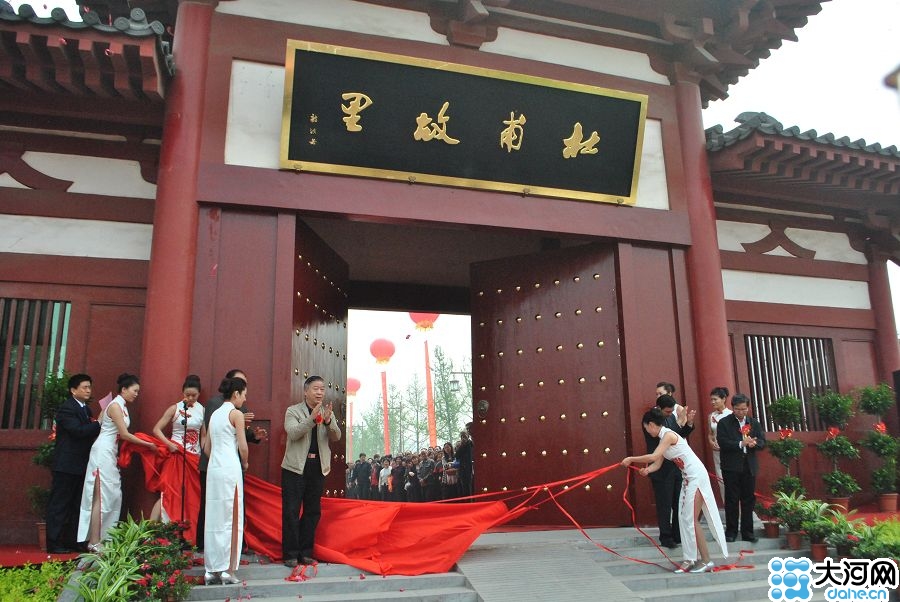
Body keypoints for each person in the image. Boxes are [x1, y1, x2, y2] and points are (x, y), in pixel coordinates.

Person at [622, 408, 729, 573]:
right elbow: (657, 463)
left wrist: (631, 459)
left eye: (646, 428)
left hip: (695, 476)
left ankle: (705, 560)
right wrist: (647, 470)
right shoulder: (663, 438)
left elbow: (652, 457)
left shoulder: (668, 435)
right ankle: (690, 558)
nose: (647, 431)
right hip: (688, 477)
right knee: (685, 519)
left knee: (690, 519)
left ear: (651, 424)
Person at [77, 373, 157, 550]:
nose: (136, 394)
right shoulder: (114, 406)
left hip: (110, 451)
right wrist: (148, 444)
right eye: (134, 390)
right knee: (101, 496)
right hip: (103, 452)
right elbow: (125, 434)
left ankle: (103, 538)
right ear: (124, 389)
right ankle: (94, 541)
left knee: (111, 495)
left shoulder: (121, 406)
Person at [196, 369, 267, 549]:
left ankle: (224, 547)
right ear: (235, 390)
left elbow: (231, 436)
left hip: (220, 464)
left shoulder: (232, 410)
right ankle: (216, 546)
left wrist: (254, 435)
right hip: (223, 464)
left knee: (224, 506)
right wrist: (244, 462)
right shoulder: (218, 405)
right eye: (242, 388)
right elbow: (236, 442)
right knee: (222, 506)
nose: (245, 396)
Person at [281, 375, 341, 567]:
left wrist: (328, 421)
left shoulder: (326, 412)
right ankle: (290, 554)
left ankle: (306, 552)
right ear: (306, 391)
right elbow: (293, 433)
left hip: (317, 467)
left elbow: (336, 436)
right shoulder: (293, 411)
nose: (320, 392)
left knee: (312, 511)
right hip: (295, 468)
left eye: (322, 389)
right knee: (291, 511)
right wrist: (312, 419)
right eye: (316, 389)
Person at [45, 373, 101, 553]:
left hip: (81, 464)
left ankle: (72, 541)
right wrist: (99, 423)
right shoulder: (67, 409)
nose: (88, 390)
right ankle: (53, 542)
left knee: (77, 504)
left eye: (89, 387)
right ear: (73, 390)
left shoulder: (86, 410)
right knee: (60, 504)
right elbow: (78, 431)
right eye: (84, 387)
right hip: (66, 464)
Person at [202, 377, 249, 585]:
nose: (244, 399)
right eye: (244, 395)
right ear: (236, 394)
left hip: (214, 468)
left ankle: (211, 570)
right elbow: (243, 447)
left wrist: (216, 459)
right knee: (232, 517)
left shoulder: (214, 414)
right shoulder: (236, 414)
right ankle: (227, 570)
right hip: (230, 469)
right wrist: (245, 463)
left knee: (214, 518)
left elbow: (207, 448)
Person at [149, 375, 205, 531]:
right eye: (187, 395)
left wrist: (204, 454)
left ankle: (182, 528)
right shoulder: (175, 408)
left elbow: (204, 436)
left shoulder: (202, 410)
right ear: (182, 393)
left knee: (190, 494)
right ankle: (148, 530)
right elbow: (156, 429)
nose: (190, 398)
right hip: (176, 455)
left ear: (199, 394)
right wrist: (169, 444)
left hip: (194, 457)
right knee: (168, 491)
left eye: (194, 395)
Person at [644, 394, 695, 549]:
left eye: (671, 411)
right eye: (667, 411)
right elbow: (665, 437)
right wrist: (680, 421)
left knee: (678, 502)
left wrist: (688, 423)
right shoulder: (650, 419)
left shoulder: (672, 417)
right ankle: (665, 536)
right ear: (659, 408)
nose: (670, 413)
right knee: (664, 504)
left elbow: (678, 436)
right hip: (660, 467)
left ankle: (678, 534)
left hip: (675, 466)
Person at [717, 393, 766, 543]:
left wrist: (754, 444)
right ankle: (731, 532)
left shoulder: (754, 423)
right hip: (731, 466)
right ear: (733, 408)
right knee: (731, 499)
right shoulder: (724, 423)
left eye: (744, 409)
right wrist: (741, 444)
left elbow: (763, 441)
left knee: (748, 500)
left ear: (748, 408)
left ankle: (748, 532)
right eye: (738, 409)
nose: (741, 412)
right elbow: (723, 442)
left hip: (749, 466)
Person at [707, 386, 733, 501]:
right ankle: (727, 505)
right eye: (711, 399)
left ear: (723, 399)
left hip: (729, 452)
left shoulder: (731, 415)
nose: (712, 402)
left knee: (732, 480)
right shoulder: (711, 416)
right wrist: (711, 442)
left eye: (715, 399)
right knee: (721, 480)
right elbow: (710, 434)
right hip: (717, 452)